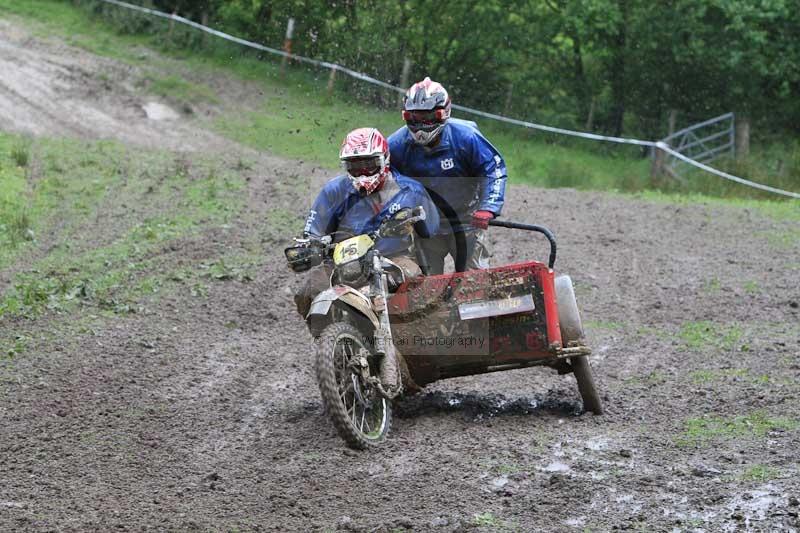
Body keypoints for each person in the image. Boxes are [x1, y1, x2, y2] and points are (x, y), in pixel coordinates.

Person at [293, 127, 439, 316]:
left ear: (384, 159)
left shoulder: (411, 191)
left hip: (393, 259)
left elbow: (431, 230)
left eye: (369, 164)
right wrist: (310, 244)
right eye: (355, 166)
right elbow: (314, 229)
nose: (362, 172)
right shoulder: (333, 191)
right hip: (341, 263)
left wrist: (413, 220)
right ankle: (329, 337)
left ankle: (403, 324)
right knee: (307, 293)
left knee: (409, 277)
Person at [388, 77, 507, 274]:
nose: (421, 125)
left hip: (467, 222)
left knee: (476, 279)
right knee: (425, 284)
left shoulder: (467, 137)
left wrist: (489, 207)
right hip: (425, 226)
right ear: (405, 116)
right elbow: (384, 178)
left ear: (443, 113)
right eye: (413, 119)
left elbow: (494, 169)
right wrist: (396, 210)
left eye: (427, 117)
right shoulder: (397, 144)